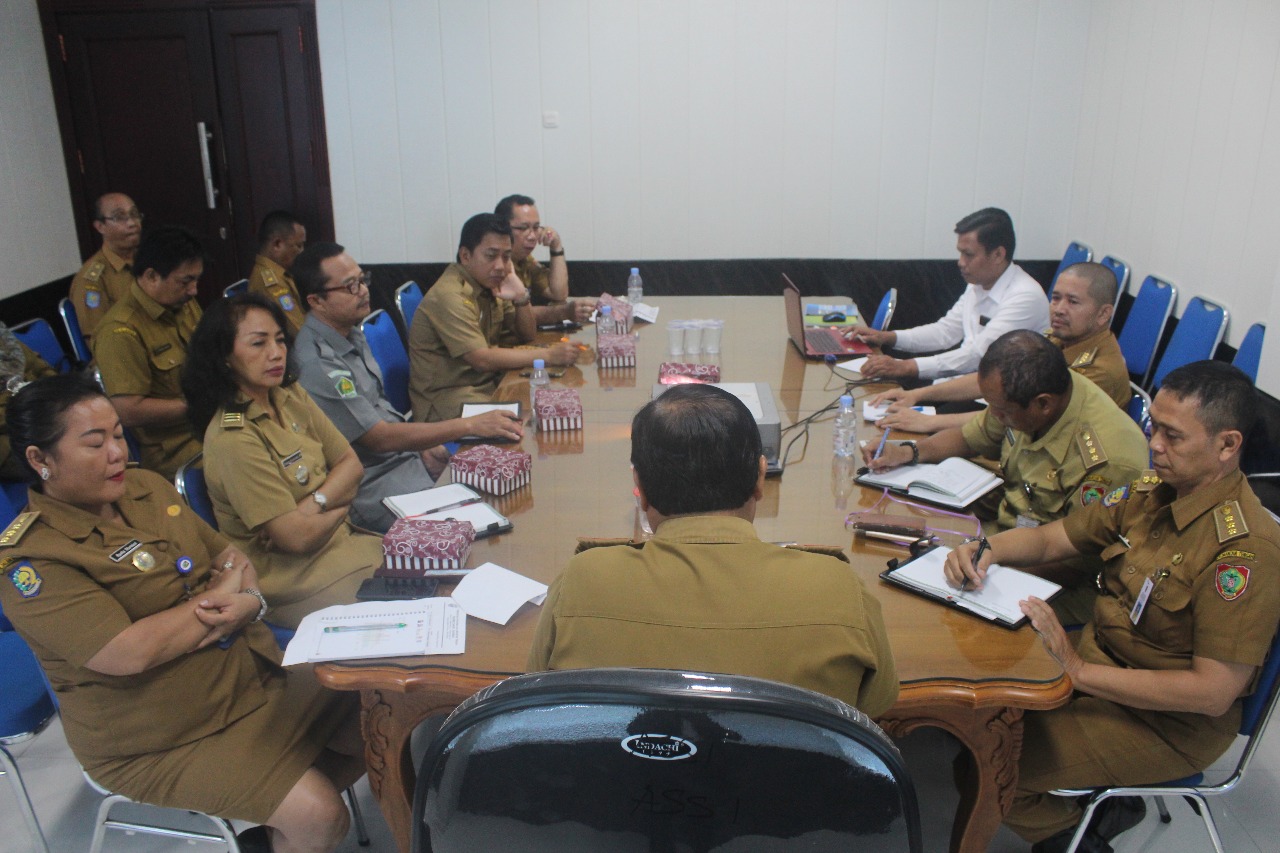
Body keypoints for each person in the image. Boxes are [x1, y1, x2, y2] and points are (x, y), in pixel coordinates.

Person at [0, 374, 365, 853]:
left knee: (376, 714)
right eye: (95, 442)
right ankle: (293, 821)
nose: (116, 452)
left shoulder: (145, 486)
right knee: (319, 814)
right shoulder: (30, 561)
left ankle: (272, 833)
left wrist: (247, 601)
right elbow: (129, 652)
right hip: (161, 733)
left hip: (245, 677)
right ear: (39, 460)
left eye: (116, 434)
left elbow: (233, 558)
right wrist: (217, 603)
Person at [943, 361, 1280, 853]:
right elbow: (1053, 539)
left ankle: (1076, 839)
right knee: (973, 717)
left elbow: (1210, 693)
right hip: (1100, 664)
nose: (1154, 444)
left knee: (989, 768)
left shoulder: (1245, 553)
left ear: (1227, 445)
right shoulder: (1151, 492)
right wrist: (988, 551)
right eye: (1153, 426)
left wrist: (1077, 670)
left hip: (1165, 721)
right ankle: (1098, 804)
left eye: (1172, 435)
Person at [528, 383, 899, 716]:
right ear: (760, 477)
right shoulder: (838, 588)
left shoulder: (582, 581)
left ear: (638, 485)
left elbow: (535, 698)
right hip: (788, 789)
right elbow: (875, 708)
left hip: (623, 787)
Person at [866, 331, 1149, 623]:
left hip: (1060, 581)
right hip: (999, 543)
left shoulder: (1109, 459)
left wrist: (982, 567)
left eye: (1002, 412)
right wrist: (908, 452)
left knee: (929, 617)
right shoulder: (1029, 393)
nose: (997, 417)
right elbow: (971, 437)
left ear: (1043, 404)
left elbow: (1073, 561)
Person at [292, 242, 525, 533]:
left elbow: (381, 410)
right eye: (350, 286)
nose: (363, 290)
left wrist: (424, 450)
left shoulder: (349, 332)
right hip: (372, 486)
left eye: (362, 280)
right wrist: (467, 426)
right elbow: (378, 439)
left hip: (404, 462)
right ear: (316, 301)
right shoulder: (318, 363)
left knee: (507, 491)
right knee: (478, 526)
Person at [182, 295, 382, 629]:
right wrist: (340, 499)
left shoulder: (289, 395)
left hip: (345, 545)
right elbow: (296, 540)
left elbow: (351, 463)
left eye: (279, 340)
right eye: (258, 343)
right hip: (296, 581)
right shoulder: (234, 438)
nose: (276, 353)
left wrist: (312, 505)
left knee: (439, 569)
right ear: (225, 357)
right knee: (420, 602)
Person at [872, 262, 1129, 434]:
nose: (1059, 309)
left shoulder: (1098, 370)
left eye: (1073, 302)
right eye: (1056, 298)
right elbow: (995, 379)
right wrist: (919, 396)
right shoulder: (1055, 339)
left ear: (1103, 314)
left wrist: (931, 422)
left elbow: (1020, 418)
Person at [844, 207, 1049, 382]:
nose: (960, 262)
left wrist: (904, 367)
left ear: (998, 255)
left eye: (968, 254)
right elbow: (945, 332)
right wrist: (887, 338)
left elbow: (979, 356)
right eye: (960, 253)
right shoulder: (977, 283)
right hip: (959, 383)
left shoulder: (1025, 296)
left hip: (989, 402)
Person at [407, 212, 579, 422]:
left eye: (506, 257)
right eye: (491, 256)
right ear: (466, 256)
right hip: (447, 401)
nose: (500, 266)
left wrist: (521, 297)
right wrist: (549, 356)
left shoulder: (489, 284)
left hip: (486, 385)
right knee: (536, 418)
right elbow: (481, 359)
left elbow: (527, 334)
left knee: (553, 403)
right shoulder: (450, 295)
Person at [93, 224, 205, 479]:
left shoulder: (182, 304)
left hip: (213, 421)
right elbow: (128, 410)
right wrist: (199, 404)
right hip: (177, 445)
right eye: (185, 281)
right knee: (255, 465)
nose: (193, 290)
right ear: (152, 276)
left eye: (196, 279)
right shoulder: (120, 331)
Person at [495, 194, 594, 324]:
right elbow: (512, 315)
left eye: (536, 228)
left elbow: (558, 294)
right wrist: (564, 312)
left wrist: (556, 246)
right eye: (523, 228)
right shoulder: (495, 265)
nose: (532, 236)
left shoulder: (525, 260)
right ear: (502, 228)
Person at [68, 192, 142, 348]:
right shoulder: (92, 280)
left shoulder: (147, 260)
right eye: (119, 217)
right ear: (100, 226)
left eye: (134, 214)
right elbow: (99, 341)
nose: (132, 223)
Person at [0, 326, 59, 480]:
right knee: (71, 457)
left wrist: (58, 391)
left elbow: (42, 369)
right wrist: (27, 404)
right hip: (9, 439)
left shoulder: (4, 340)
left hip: (40, 412)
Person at [248, 210, 308, 334]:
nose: (302, 251)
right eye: (298, 245)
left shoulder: (281, 273)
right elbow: (298, 330)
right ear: (277, 244)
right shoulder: (271, 283)